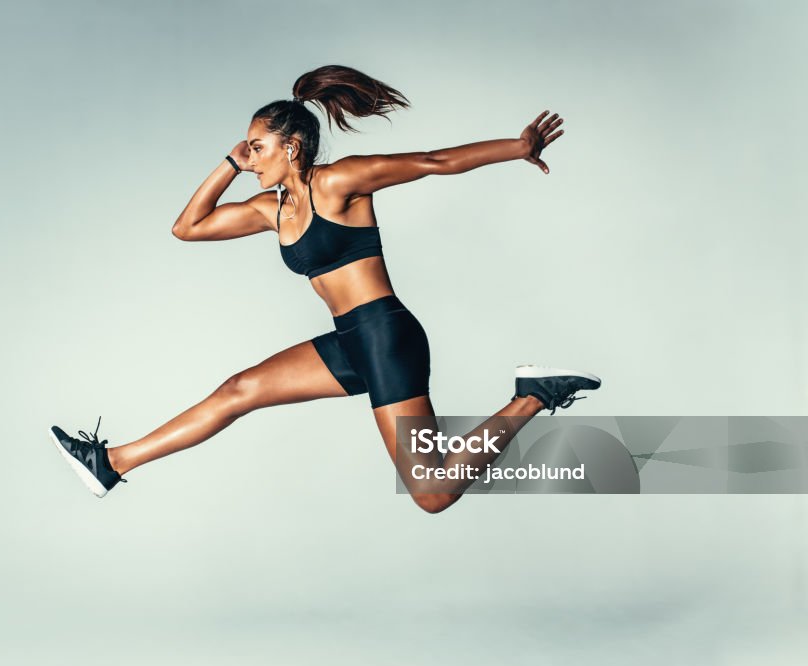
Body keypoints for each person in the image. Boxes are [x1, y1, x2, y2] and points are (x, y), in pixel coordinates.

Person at [49, 65, 600, 512]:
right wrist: (229, 163)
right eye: (247, 147)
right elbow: (187, 228)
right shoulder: (273, 208)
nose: (251, 155)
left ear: (292, 147)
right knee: (239, 390)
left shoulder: (338, 184)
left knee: (431, 493)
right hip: (348, 340)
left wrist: (518, 146)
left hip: (386, 334)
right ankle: (113, 462)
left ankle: (533, 394)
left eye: (257, 147)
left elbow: (434, 162)